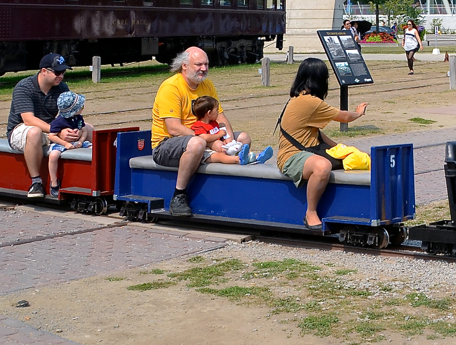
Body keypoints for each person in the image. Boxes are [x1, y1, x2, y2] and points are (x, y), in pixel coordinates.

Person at [150, 47, 272, 217]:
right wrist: (209, 140)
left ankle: (229, 184)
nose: (204, 68)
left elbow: (220, 117)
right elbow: (174, 128)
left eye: (206, 64)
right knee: (197, 143)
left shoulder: (207, 85)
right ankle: (179, 195)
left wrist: (228, 138)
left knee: (243, 137)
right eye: (198, 64)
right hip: (167, 145)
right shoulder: (171, 88)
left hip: (206, 137)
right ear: (184, 66)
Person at [276, 58, 368, 230]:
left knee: (354, 157)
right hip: (291, 156)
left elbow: (315, 132)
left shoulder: (299, 98)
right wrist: (358, 113)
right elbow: (344, 117)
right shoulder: (309, 102)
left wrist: (340, 147)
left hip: (306, 151)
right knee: (322, 166)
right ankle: (310, 212)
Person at [6, 54, 79, 199]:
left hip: (49, 129)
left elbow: (67, 114)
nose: (61, 76)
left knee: (86, 128)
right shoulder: (24, 87)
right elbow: (28, 120)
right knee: (34, 132)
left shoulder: (61, 87)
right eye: (57, 72)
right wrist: (58, 131)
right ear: (44, 71)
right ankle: (36, 182)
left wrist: (70, 129)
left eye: (63, 72)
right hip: (21, 130)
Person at [191, 96, 265, 165]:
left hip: (219, 147)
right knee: (221, 157)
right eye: (216, 110)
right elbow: (204, 138)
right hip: (207, 152)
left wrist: (225, 140)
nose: (218, 112)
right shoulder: (198, 126)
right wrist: (219, 135)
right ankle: (238, 159)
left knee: (235, 146)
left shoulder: (213, 123)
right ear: (209, 113)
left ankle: (255, 158)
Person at [46, 91, 93, 198]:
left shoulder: (79, 118)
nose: (83, 108)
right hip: (60, 143)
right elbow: (51, 136)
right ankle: (54, 182)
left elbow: (84, 130)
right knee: (53, 156)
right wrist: (65, 144)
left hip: (76, 142)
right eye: (81, 106)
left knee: (93, 149)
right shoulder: (58, 121)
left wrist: (81, 141)